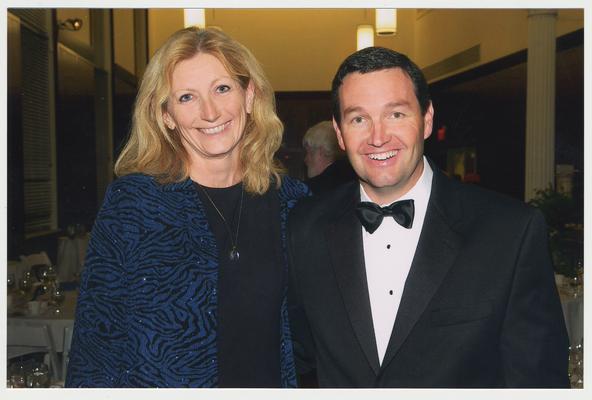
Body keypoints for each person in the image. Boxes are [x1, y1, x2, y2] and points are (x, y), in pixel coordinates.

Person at [287, 46, 569, 388]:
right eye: (358, 118)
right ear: (340, 133)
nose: (378, 137)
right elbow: (294, 353)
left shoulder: (510, 232)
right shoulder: (304, 227)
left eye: (396, 114)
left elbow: (538, 382)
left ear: (427, 120)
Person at [66, 27, 308, 388]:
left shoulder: (293, 201)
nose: (209, 112)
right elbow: (96, 342)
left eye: (222, 88)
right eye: (186, 98)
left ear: (249, 95)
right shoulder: (134, 204)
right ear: (166, 116)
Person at [302, 121, 356, 195]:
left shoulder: (310, 191)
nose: (305, 159)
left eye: (309, 153)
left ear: (322, 151)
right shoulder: (358, 183)